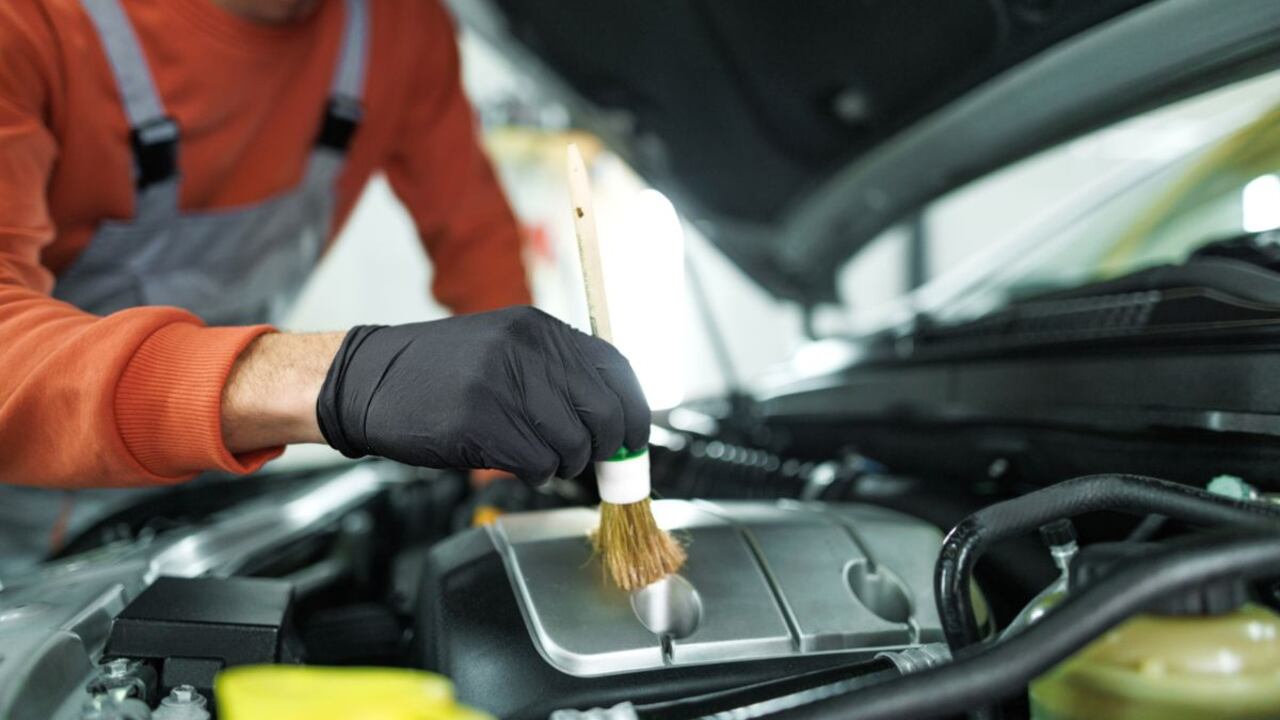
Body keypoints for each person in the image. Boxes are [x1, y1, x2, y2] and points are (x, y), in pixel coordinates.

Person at [0, 0, 649, 570]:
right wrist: (336, 377)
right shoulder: (30, 22)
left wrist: (507, 459)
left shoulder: (399, 26)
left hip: (190, 497)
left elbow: (477, 241)